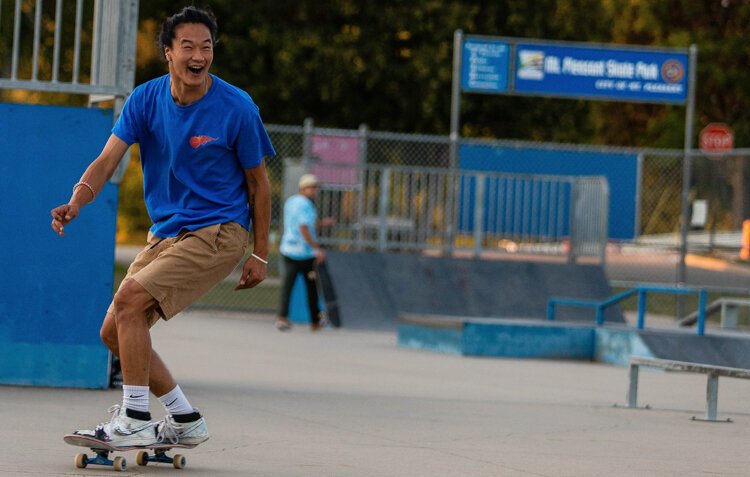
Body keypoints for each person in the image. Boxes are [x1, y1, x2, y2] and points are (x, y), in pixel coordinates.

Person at [49, 6, 275, 448]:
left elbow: (259, 186)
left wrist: (260, 252)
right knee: (113, 331)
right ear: (168, 53)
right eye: (187, 46)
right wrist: (77, 200)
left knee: (130, 301)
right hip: (168, 233)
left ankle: (134, 417)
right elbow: (107, 160)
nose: (198, 56)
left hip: (219, 231)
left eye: (206, 47)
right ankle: (184, 418)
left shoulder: (237, 108)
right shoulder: (145, 99)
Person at [276, 174, 335, 332]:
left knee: (288, 285)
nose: (314, 191)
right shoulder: (306, 205)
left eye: (315, 188)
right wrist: (316, 248)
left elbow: (307, 223)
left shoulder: (291, 202)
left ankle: (282, 318)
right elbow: (304, 227)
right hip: (304, 253)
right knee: (311, 287)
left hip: (287, 249)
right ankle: (314, 322)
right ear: (303, 188)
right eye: (311, 188)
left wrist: (323, 223)